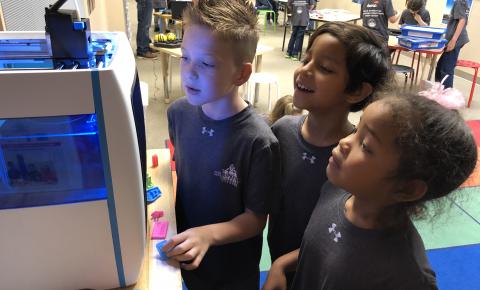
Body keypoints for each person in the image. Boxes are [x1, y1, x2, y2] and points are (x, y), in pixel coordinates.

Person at [290, 93, 477, 290]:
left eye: (365, 145)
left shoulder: (407, 276)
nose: (345, 142)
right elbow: (326, 249)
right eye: (357, 128)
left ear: (407, 188)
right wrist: (282, 264)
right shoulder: (335, 190)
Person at [264, 22, 392, 290]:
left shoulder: (356, 159)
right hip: (280, 267)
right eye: (306, 58)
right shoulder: (282, 131)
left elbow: (351, 236)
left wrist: (283, 264)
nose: (304, 70)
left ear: (356, 91)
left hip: (327, 276)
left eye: (325, 68)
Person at [163, 1, 281, 289]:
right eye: (185, 57)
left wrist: (208, 235)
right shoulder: (178, 113)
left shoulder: (258, 141)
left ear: (241, 74)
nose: (189, 72)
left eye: (206, 63)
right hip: (187, 256)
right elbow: (184, 171)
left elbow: (255, 220)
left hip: (231, 273)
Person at [435, 0, 470, 89]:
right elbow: (464, 20)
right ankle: (438, 90)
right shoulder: (463, 2)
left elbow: (462, 20)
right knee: (440, 66)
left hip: (456, 41)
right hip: (455, 39)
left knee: (446, 69)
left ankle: (446, 95)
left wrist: (453, 40)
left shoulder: (459, 1)